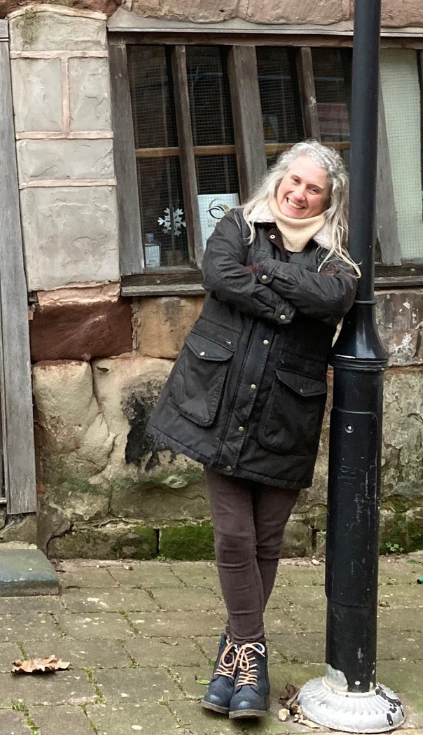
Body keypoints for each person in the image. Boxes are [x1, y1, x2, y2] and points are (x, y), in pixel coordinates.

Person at [146, 140, 359, 720]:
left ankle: (230, 658)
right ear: (280, 178)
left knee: (266, 542)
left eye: (313, 188)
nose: (298, 193)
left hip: (286, 415)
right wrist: (292, 303)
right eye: (293, 180)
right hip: (220, 406)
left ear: (327, 197)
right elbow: (218, 276)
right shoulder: (240, 225)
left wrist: (264, 272)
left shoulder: (337, 256)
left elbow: (335, 295)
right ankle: (253, 656)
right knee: (234, 540)